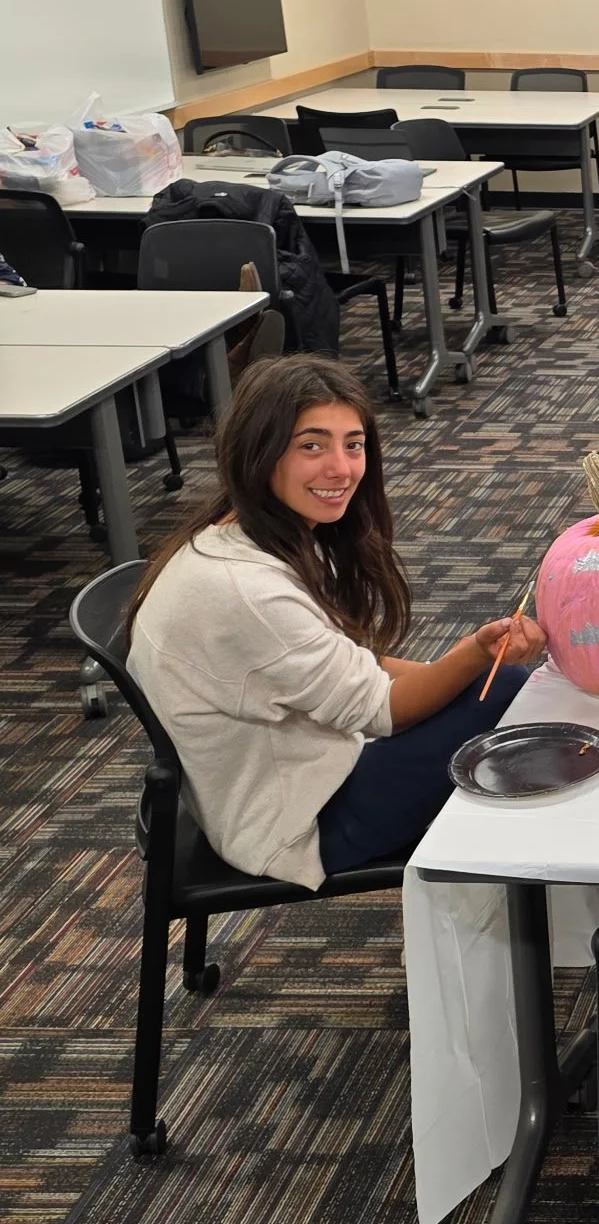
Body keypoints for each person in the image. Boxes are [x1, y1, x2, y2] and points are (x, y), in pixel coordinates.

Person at [126, 356, 547, 890]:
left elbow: (348, 662)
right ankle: (516, 902)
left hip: (269, 783)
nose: (342, 468)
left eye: (353, 444)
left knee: (500, 696)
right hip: (295, 825)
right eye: (312, 445)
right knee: (512, 699)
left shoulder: (247, 534)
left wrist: (461, 673)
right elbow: (380, 710)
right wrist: (476, 656)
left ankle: (499, 892)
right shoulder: (249, 591)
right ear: (260, 450)